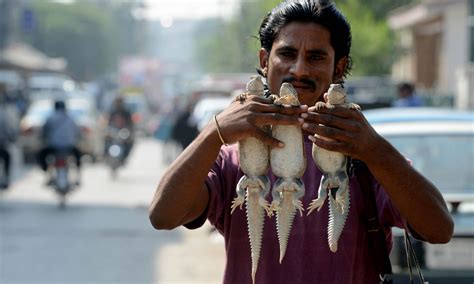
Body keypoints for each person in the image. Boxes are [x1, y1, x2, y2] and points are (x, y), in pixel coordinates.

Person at [149, 1, 453, 283]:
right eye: (287, 54)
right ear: (265, 60)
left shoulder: (362, 153)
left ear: (338, 66)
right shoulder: (232, 156)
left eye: (316, 57)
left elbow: (438, 229)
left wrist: (376, 150)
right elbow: (163, 215)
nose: (300, 69)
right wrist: (212, 133)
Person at [37, 100, 82, 184]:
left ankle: (47, 175)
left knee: (41, 155)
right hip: (69, 146)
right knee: (78, 156)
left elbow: (44, 131)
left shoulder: (50, 118)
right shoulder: (71, 118)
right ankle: (78, 177)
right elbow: (77, 132)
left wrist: (43, 139)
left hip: (53, 146)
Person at [0, 84, 20, 189]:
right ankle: (6, 178)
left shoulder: (4, 113)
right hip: (2, 146)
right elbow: (9, 130)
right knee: (7, 157)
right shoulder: (4, 114)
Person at [105, 96, 134, 162]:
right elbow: (108, 123)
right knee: (106, 140)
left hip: (123, 132)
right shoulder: (113, 112)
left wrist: (129, 131)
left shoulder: (126, 112)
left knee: (130, 142)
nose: (118, 104)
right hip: (114, 131)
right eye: (117, 102)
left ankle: (125, 156)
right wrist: (107, 130)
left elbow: (130, 123)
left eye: (120, 102)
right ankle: (106, 155)